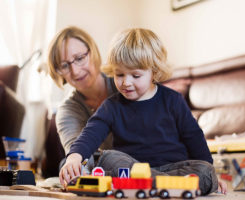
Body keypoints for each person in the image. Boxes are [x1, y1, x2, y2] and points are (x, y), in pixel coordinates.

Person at [58, 28, 227, 195]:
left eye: (135, 76)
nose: (126, 83)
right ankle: (169, 187)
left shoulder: (173, 100)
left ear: (154, 72)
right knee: (106, 158)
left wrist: (212, 174)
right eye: (119, 74)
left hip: (173, 168)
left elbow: (194, 138)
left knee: (205, 170)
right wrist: (75, 156)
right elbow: (91, 133)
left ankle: (157, 185)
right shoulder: (111, 106)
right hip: (133, 169)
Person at [48, 26, 117, 171]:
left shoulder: (125, 84)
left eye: (79, 58)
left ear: (93, 52)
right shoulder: (68, 111)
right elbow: (78, 155)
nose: (75, 71)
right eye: (64, 65)